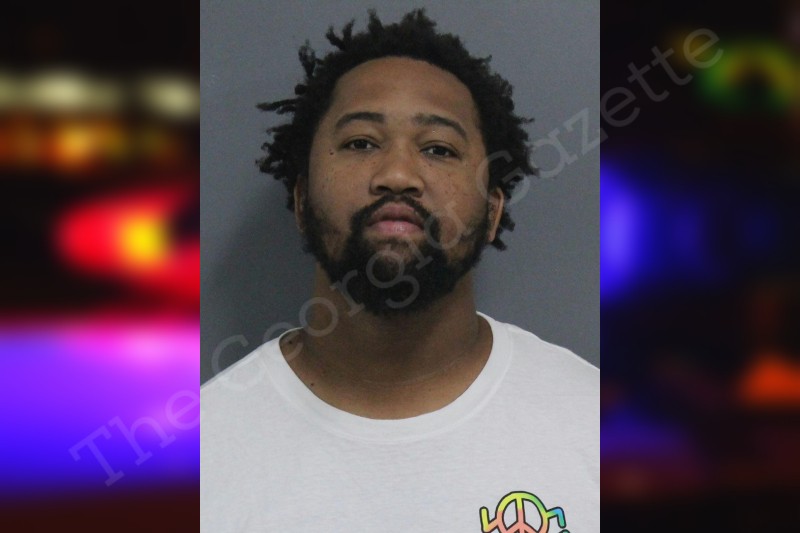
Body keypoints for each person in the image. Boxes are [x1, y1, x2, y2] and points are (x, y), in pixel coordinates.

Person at [201, 9, 598, 532]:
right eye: (361, 142)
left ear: (492, 212)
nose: (397, 174)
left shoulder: (594, 426)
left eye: (438, 149)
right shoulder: (199, 453)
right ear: (300, 199)